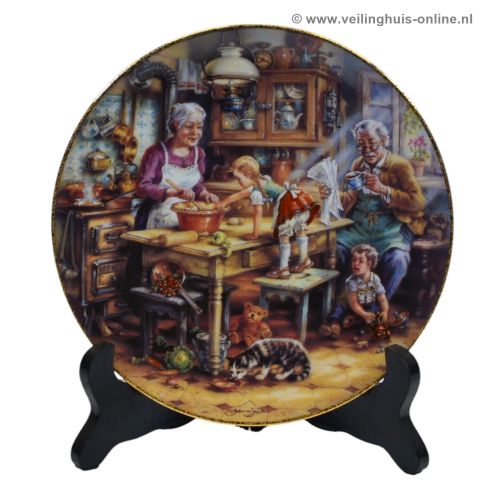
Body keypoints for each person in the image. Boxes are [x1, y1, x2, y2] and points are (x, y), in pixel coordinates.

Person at [320, 119, 425, 336]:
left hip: (390, 229)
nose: (367, 150)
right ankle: (337, 313)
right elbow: (349, 200)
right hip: (359, 227)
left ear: (384, 140)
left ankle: (373, 313)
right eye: (361, 145)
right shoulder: (358, 165)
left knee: (398, 260)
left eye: (372, 144)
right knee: (336, 250)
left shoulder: (399, 166)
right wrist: (331, 195)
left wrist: (384, 189)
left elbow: (418, 201)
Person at [215, 155, 319, 279]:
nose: (238, 182)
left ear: (248, 174)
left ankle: (283, 269)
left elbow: (257, 213)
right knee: (300, 231)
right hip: (298, 200)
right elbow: (240, 194)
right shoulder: (263, 180)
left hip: (288, 205)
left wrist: (255, 235)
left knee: (283, 237)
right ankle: (304, 260)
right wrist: (224, 201)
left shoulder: (256, 191)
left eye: (239, 178)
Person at [135, 102, 218, 229]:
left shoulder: (199, 154)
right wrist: (171, 192)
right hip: (160, 215)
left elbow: (197, 186)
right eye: (189, 126)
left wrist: (205, 194)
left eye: (199, 127)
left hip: (187, 212)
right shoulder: (157, 152)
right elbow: (143, 186)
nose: (195, 132)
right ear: (176, 125)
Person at [320, 244, 389, 337]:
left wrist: (385, 311)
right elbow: (354, 303)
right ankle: (335, 324)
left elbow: (382, 299)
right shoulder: (352, 281)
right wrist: (364, 314)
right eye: (354, 260)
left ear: (369, 264)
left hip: (367, 305)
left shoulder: (375, 279)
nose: (356, 263)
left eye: (361, 261)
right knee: (339, 308)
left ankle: (353, 320)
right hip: (350, 305)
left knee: (375, 311)